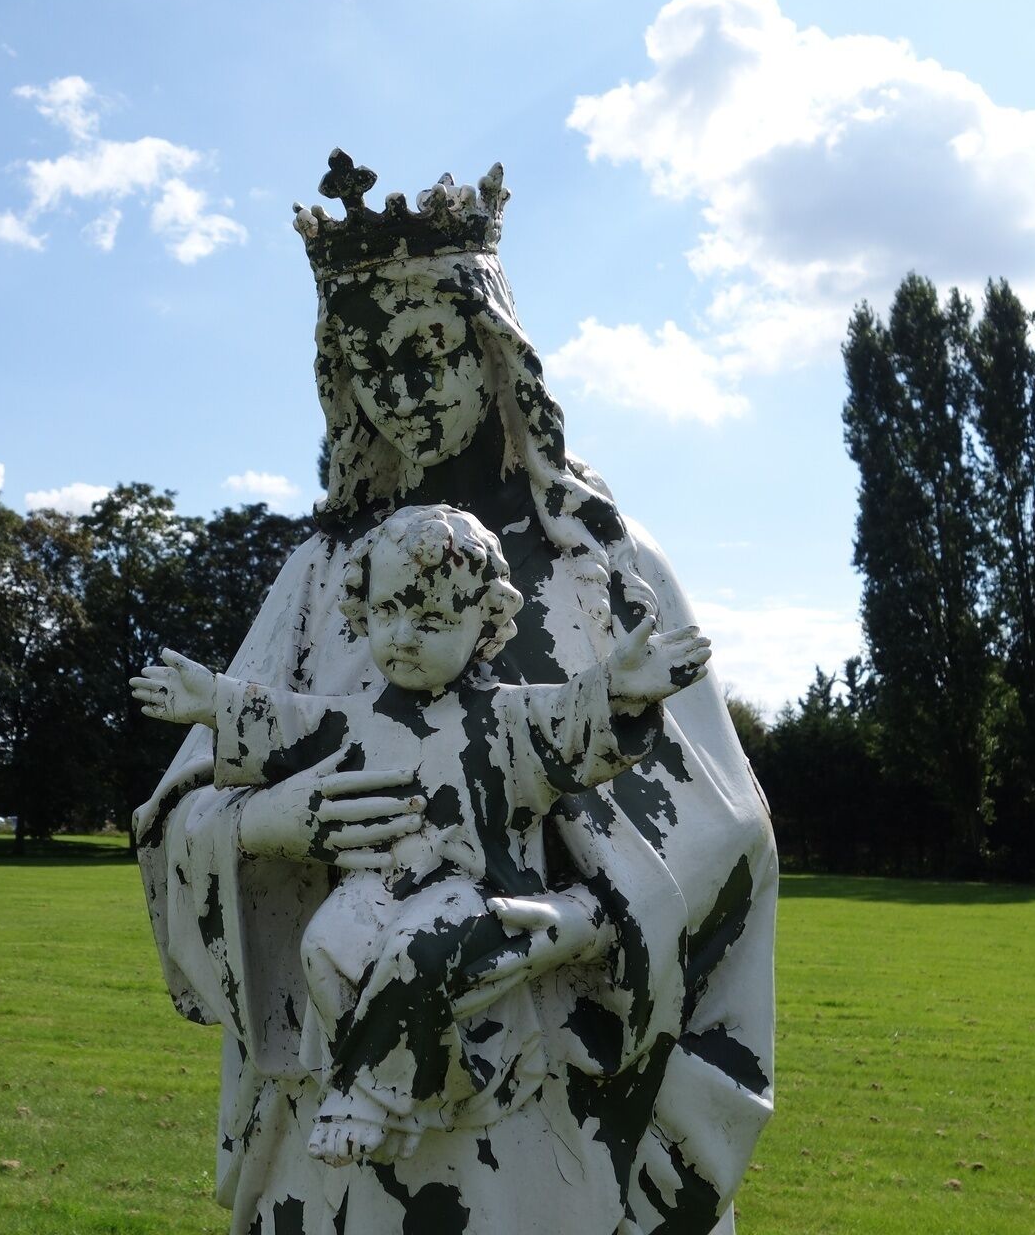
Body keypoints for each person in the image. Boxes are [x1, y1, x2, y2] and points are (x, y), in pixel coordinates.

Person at [135, 152, 776, 1235]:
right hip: (331, 1148)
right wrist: (261, 825)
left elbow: (726, 829)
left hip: (546, 1109)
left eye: (431, 350)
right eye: (367, 360)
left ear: (494, 346)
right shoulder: (317, 576)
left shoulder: (597, 561)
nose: (404, 389)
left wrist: (578, 920)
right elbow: (185, 809)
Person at [133, 503, 713, 1168]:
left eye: (433, 620)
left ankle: (366, 1094)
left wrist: (619, 691)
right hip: (375, 887)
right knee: (325, 949)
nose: (404, 637)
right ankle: (427, 1083)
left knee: (416, 948)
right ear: (365, 610)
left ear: (485, 622)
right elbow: (287, 724)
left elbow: (573, 720)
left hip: (472, 891)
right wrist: (212, 698)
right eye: (387, 614)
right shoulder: (356, 720)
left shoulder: (506, 718)